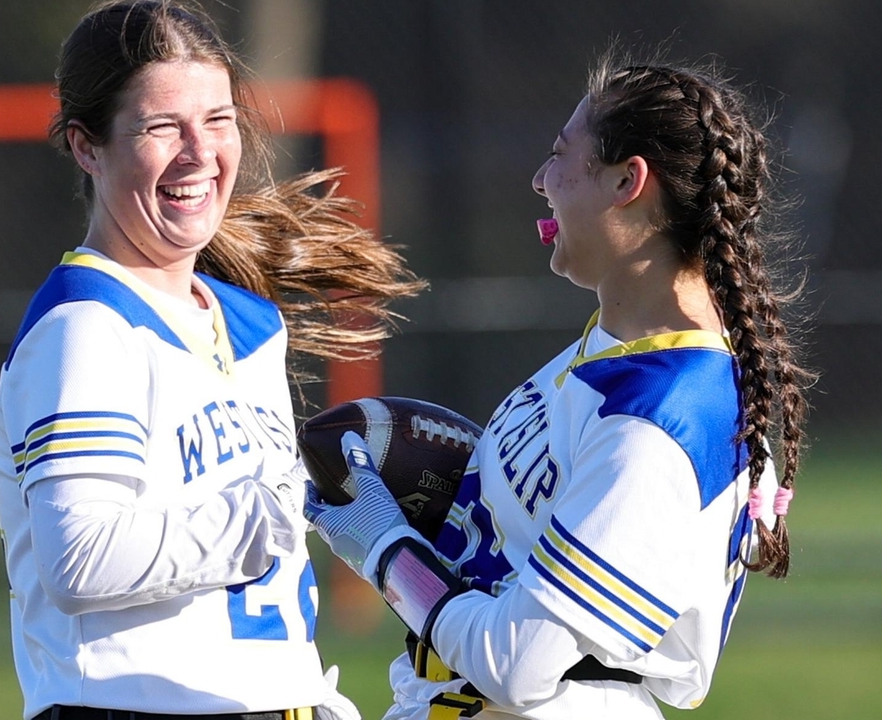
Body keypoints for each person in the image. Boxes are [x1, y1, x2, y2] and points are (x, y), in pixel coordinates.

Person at [306, 50, 815, 719]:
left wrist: (384, 549)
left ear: (626, 182)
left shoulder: (660, 424)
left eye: (560, 156)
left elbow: (518, 662)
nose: (541, 180)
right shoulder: (614, 351)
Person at [0, 2, 424, 719]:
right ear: (85, 146)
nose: (199, 153)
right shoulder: (88, 326)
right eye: (161, 126)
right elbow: (80, 561)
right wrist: (280, 510)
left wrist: (302, 689)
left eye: (217, 120)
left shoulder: (248, 323)